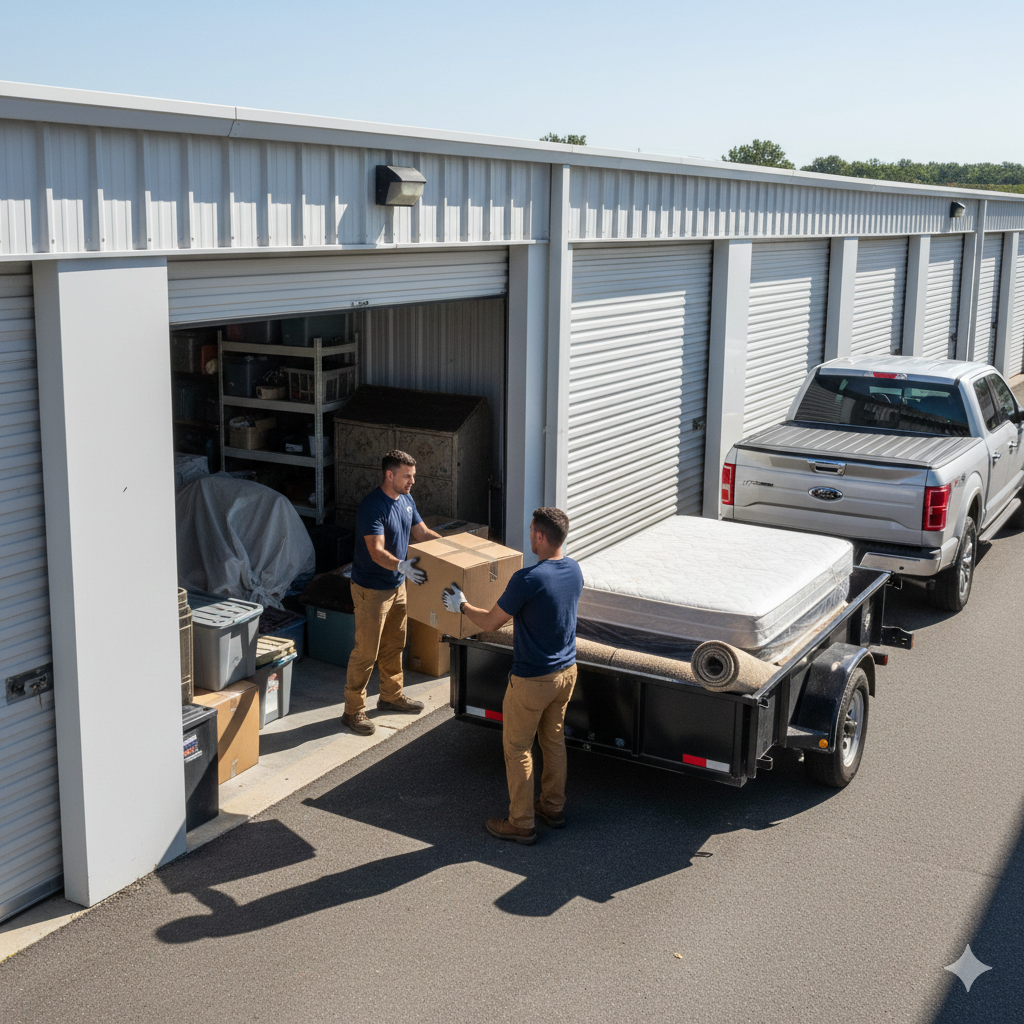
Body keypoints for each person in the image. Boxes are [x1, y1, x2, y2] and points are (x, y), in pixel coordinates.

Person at [442, 507, 582, 845]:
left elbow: (491, 622)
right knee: (553, 741)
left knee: (518, 747)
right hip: (567, 672)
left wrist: (461, 605)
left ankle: (521, 823)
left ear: (540, 536)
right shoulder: (574, 570)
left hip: (533, 678)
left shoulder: (528, 579)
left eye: (532, 529)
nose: (529, 533)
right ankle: (552, 808)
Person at [343, 449, 441, 736]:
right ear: (390, 475)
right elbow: (375, 551)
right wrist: (402, 566)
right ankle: (353, 711)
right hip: (371, 590)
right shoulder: (373, 506)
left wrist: (454, 549)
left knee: (395, 644)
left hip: (398, 586)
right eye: (407, 476)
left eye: (413, 476)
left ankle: (391, 696)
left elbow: (422, 534)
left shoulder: (406, 499)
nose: (412, 482)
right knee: (366, 652)